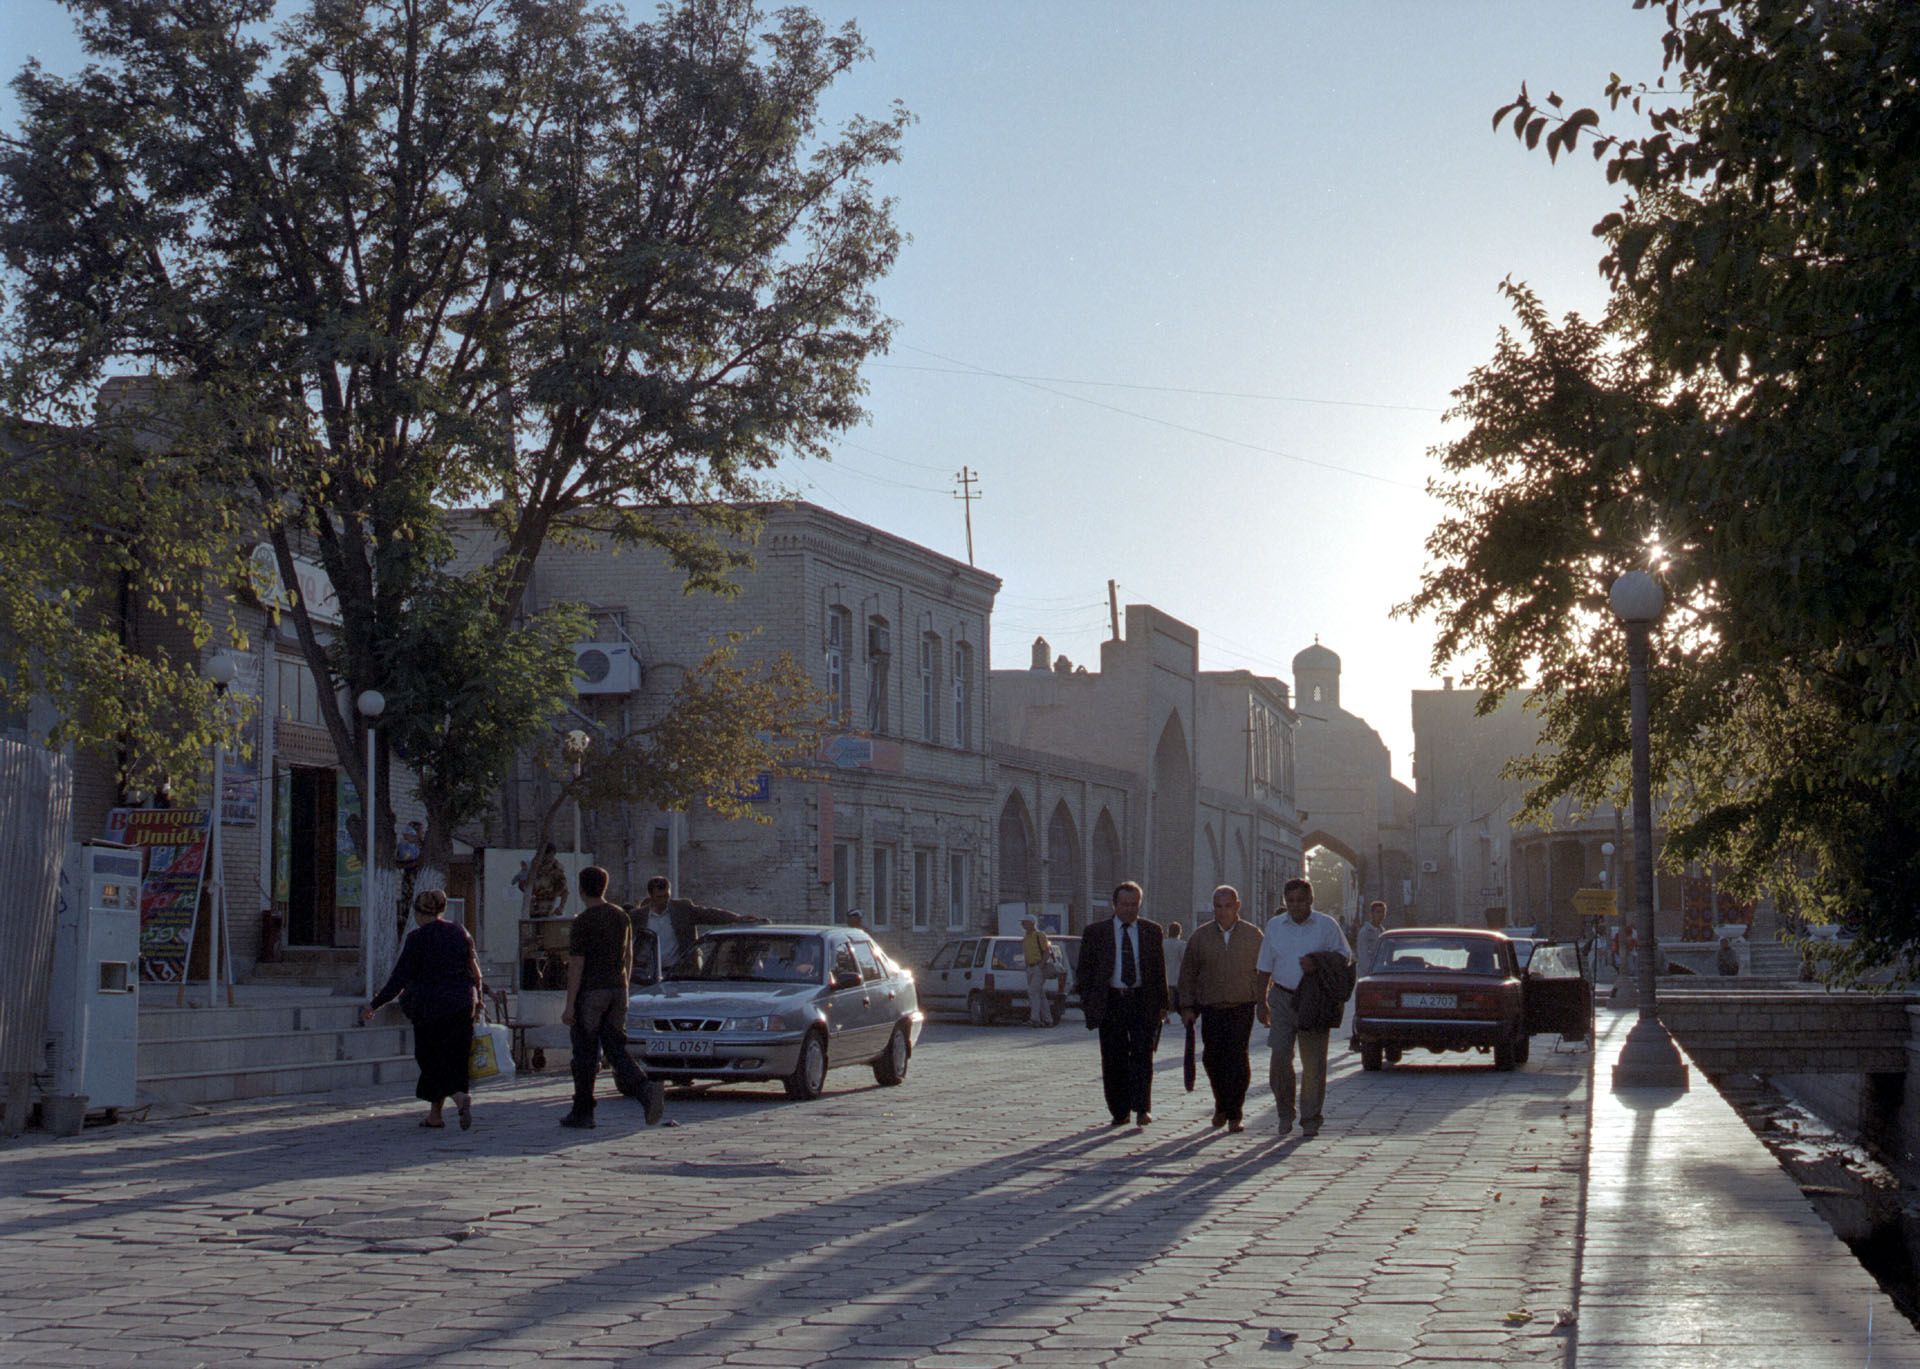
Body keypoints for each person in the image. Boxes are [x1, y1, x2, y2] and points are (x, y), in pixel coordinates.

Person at [363, 889, 482, 1130]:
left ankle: (459, 1097)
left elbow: (399, 979)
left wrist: (375, 1004)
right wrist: (479, 999)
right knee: (456, 1058)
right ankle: (435, 1115)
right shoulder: (460, 931)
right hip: (462, 1004)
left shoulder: (417, 938)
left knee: (429, 1059)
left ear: (418, 913)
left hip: (431, 1008)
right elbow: (474, 969)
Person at [561, 866, 664, 1130]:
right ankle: (644, 1090)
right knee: (616, 1049)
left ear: (582, 889)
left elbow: (577, 965)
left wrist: (570, 1005)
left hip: (591, 993)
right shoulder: (621, 917)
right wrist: (624, 986)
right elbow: (629, 955)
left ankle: (583, 1111)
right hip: (618, 990)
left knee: (584, 1053)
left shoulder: (583, 921)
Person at [1255, 878, 1353, 1139]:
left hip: (1314, 1001)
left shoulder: (1326, 925)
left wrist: (1317, 962)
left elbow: (1344, 958)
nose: (1296, 906)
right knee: (1279, 1060)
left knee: (1313, 1064)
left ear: (1311, 900)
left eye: (1301, 900)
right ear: (1285, 902)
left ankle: (1310, 1117)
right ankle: (1285, 1112)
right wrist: (1260, 1001)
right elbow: (1264, 966)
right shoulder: (1275, 926)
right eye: (1291, 901)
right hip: (1283, 998)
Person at [1076, 881, 1168, 1127]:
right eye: (1124, 904)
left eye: (1134, 905)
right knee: (1113, 1057)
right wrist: (1088, 1002)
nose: (1129, 910)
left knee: (1142, 1055)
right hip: (1111, 1001)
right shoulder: (1096, 932)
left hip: (1140, 1000)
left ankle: (1141, 1108)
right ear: (1114, 904)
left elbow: (1159, 971)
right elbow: (1084, 971)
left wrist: (1163, 1004)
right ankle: (1119, 1110)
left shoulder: (1151, 931)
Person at [1177, 886, 1265, 1133]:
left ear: (1237, 906)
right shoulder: (1200, 937)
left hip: (1241, 1005)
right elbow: (1188, 974)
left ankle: (1235, 1112)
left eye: (1228, 906)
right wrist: (1186, 1007)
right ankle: (1221, 1105)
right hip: (1212, 1006)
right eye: (1218, 906)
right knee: (1212, 1058)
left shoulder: (1253, 935)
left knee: (1237, 1058)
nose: (1223, 912)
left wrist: (1264, 1002)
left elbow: (1265, 970)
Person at [631, 876, 765, 983]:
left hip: (680, 973)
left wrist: (736, 918)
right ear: (651, 896)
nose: (664, 901)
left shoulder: (682, 909)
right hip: (648, 974)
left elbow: (709, 914)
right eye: (659, 897)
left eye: (666, 896)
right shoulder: (638, 917)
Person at [1020, 915, 1053, 1027]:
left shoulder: (1040, 935)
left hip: (1038, 968)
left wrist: (1041, 965)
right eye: (1023, 923)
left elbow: (1047, 951)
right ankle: (1048, 1019)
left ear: (1032, 924)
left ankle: (1035, 1019)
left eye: (1025, 923)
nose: (1023, 925)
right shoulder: (1025, 938)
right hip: (1030, 968)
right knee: (1040, 994)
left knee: (1033, 992)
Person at [527, 842, 568, 919]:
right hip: (533, 908)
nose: (549, 858)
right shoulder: (535, 866)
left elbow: (564, 891)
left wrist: (561, 907)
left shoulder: (556, 869)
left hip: (549, 909)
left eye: (551, 855)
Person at [1356, 900, 1387, 975]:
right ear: (1371, 914)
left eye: (1383, 912)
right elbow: (1363, 956)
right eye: (1378, 912)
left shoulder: (1383, 932)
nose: (1381, 915)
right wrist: (1372, 971)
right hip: (1367, 974)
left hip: (1380, 972)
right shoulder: (1365, 932)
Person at [1163, 921, 1187, 1014]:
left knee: (1167, 1003)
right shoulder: (1181, 944)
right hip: (1177, 978)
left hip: (1165, 978)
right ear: (1179, 932)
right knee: (1176, 1004)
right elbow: (1184, 961)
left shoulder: (1162, 943)